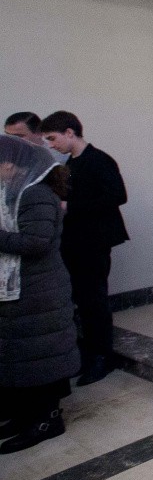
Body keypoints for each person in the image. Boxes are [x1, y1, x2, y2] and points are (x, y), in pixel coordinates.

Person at [0, 135, 80, 453]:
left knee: (42, 355)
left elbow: (37, 242)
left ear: (13, 165)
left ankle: (47, 420)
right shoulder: (14, 192)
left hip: (40, 289)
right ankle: (25, 416)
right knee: (24, 356)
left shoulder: (35, 194)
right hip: (21, 289)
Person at [41, 111, 129, 386]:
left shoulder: (99, 159)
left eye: (52, 138)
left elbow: (118, 196)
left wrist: (70, 206)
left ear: (70, 132)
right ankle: (90, 354)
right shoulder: (71, 162)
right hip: (77, 242)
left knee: (94, 300)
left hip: (95, 241)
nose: (51, 145)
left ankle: (103, 357)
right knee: (83, 299)